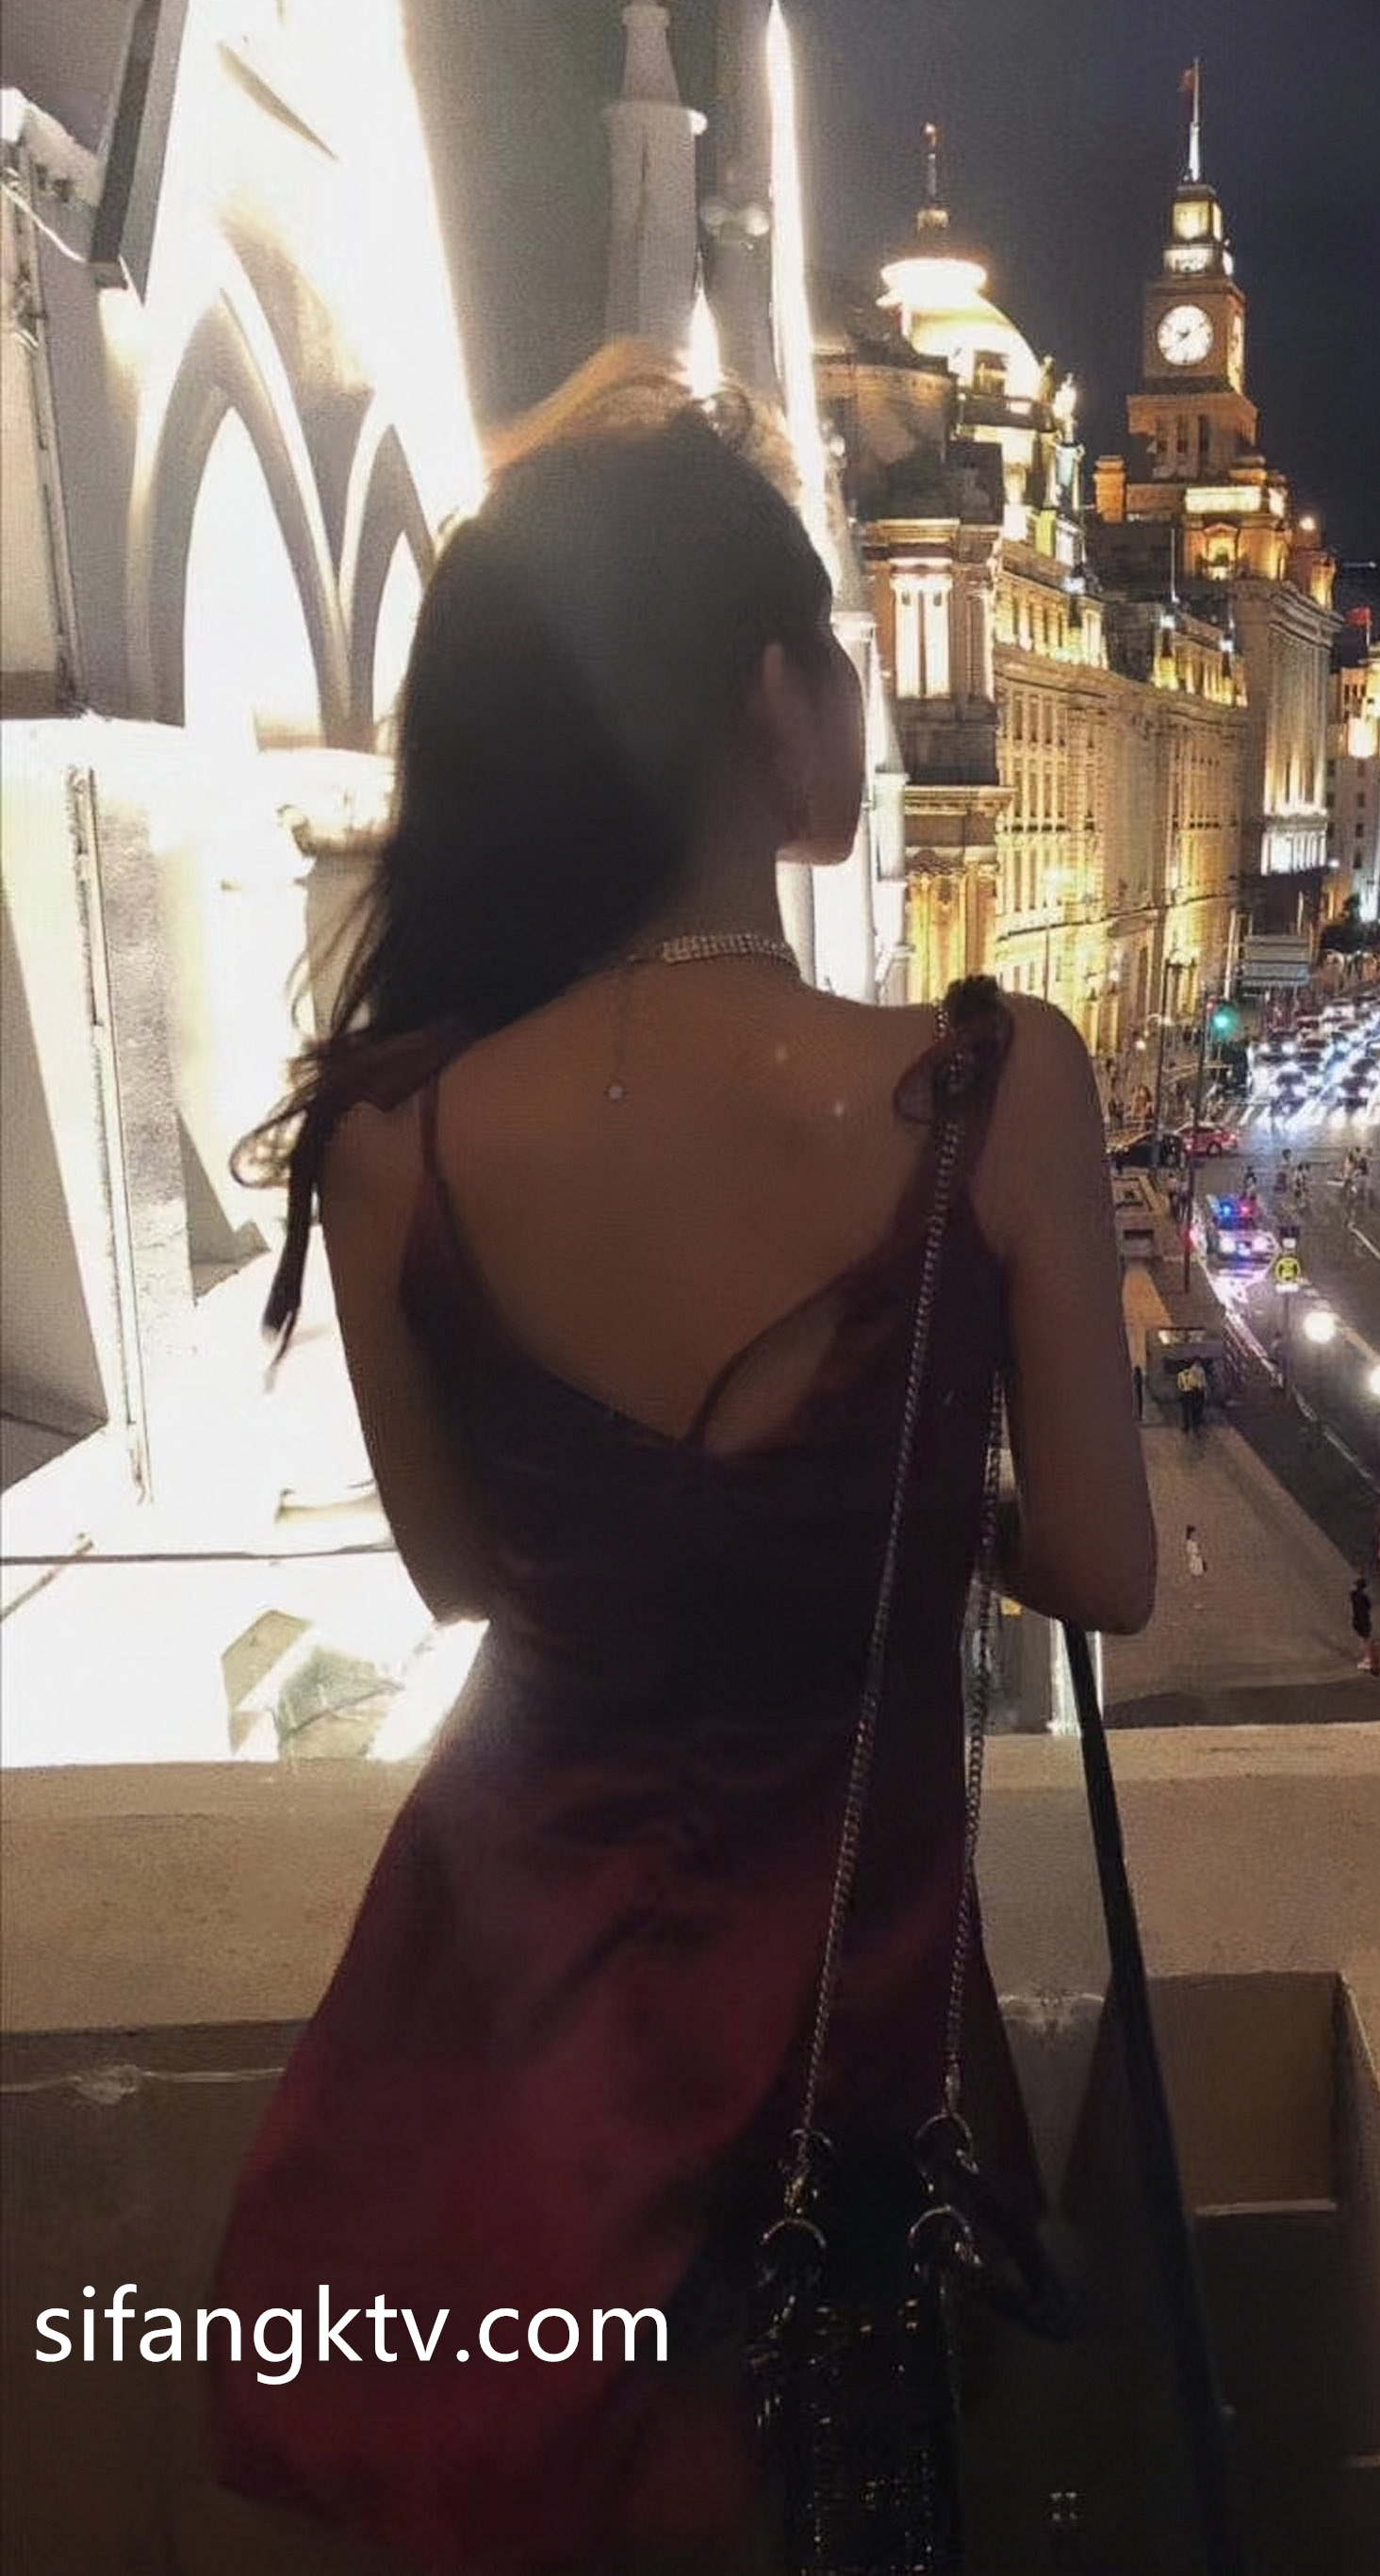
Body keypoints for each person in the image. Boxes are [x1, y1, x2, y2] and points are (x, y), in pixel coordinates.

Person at [205, 347, 1158, 2575]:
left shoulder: (397, 1135)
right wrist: (888, 1495)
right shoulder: (988, 1085)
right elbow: (1102, 1566)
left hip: (490, 2030)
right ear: (765, 697)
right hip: (837, 2034)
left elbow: (469, 1581)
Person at [1348, 1576, 1380, 1675]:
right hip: (1365, 1620)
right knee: (1365, 1640)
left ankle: (1367, 1660)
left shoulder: (1355, 1596)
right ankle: (1367, 1659)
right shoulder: (1363, 1597)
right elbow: (1369, 1606)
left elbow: (1352, 1594)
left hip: (1360, 1621)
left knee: (1363, 1641)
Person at [1176, 1355, 1208, 1438]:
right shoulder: (1197, 1371)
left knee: (1188, 1411)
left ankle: (1189, 1426)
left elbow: (1180, 1386)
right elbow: (1200, 1383)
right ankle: (1193, 1427)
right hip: (1194, 1392)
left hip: (1190, 1392)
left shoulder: (1183, 1373)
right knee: (1194, 1411)